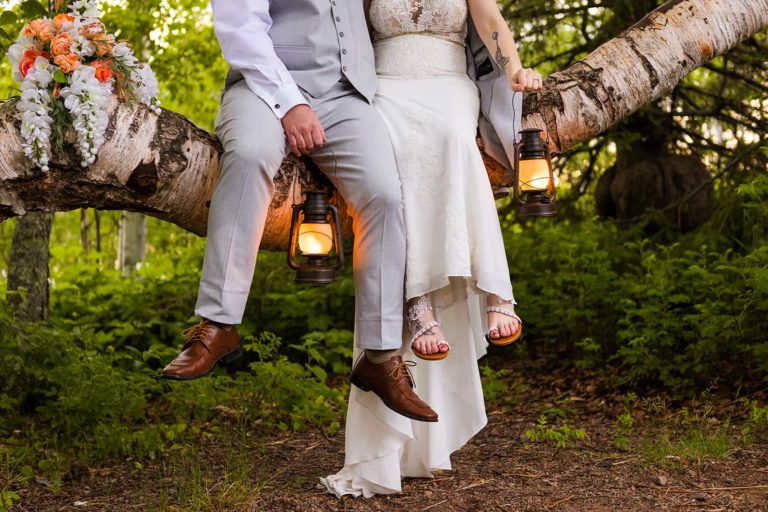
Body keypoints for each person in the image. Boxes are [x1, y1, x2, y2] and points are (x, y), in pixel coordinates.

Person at [161, 0, 439, 424]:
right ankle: (218, 324)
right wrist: (291, 104)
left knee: (384, 194)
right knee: (250, 154)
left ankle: (381, 356)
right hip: (262, 86)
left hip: (345, 95)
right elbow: (240, 27)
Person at [320, 0, 543, 497]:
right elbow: (338, 30)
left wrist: (514, 71)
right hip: (384, 90)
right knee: (390, 165)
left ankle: (494, 291)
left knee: (451, 139)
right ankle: (416, 303)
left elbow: (490, 24)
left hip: (448, 86)